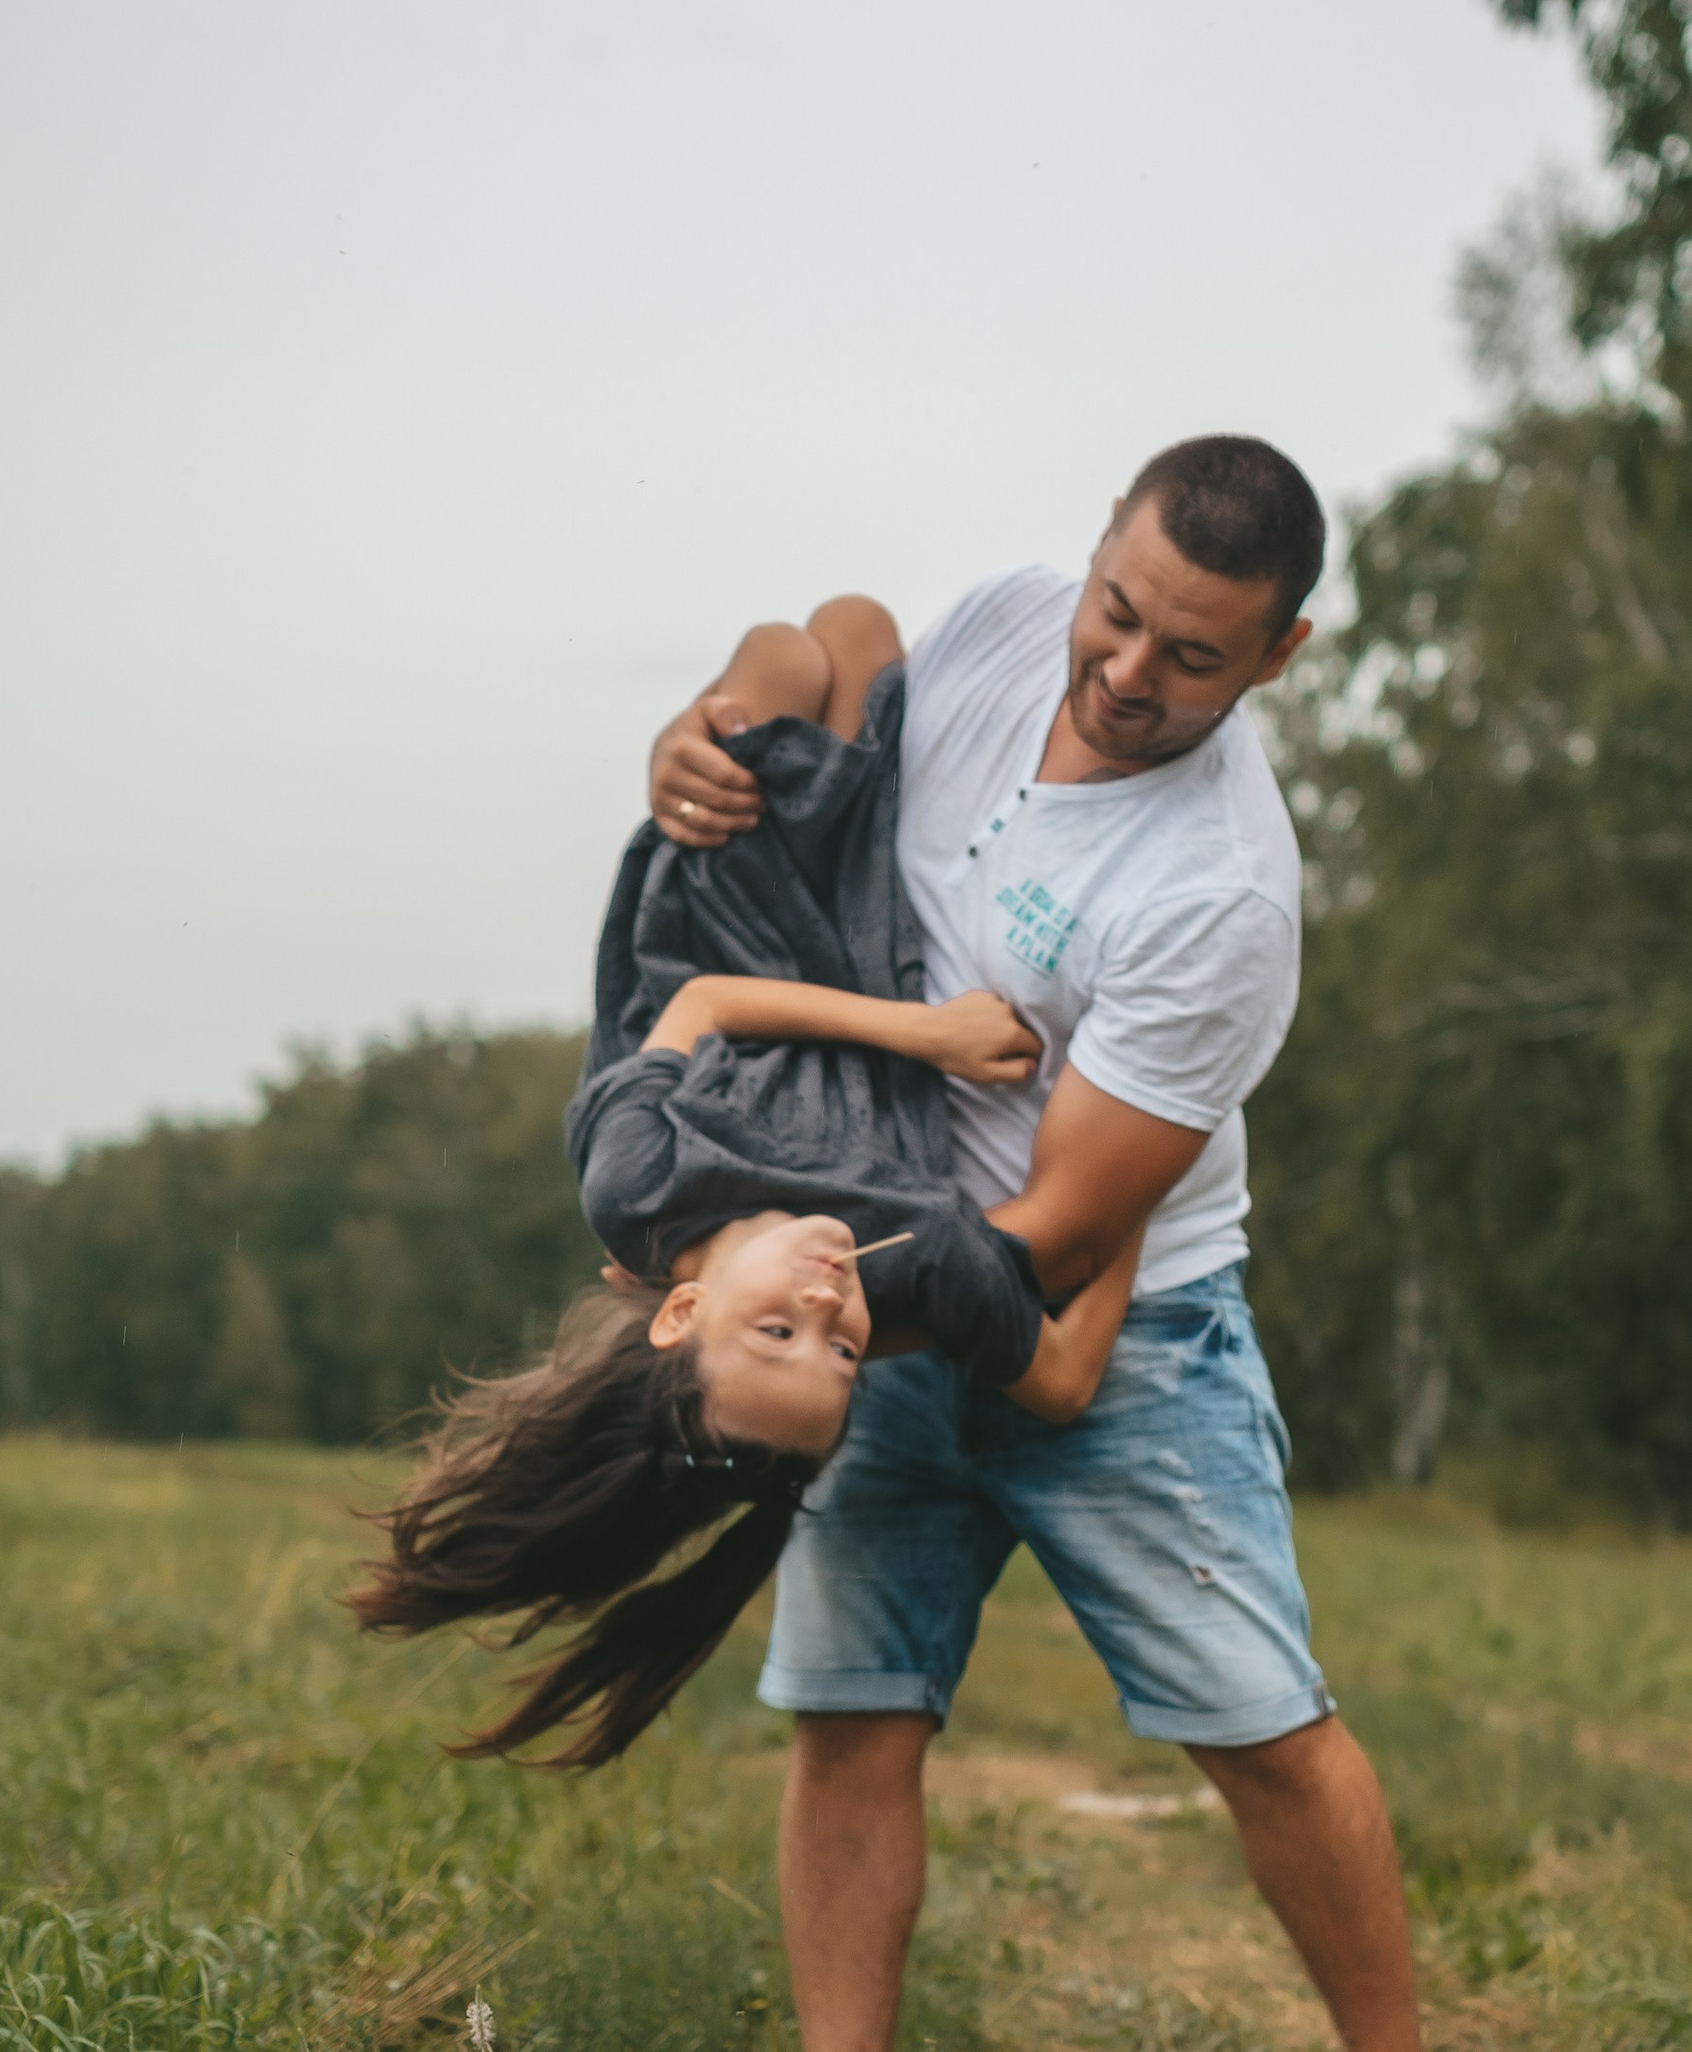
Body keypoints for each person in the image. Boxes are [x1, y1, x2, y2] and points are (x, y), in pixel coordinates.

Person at [647, 434, 1494, 2052]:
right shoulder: (999, 627)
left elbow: (1052, 1234)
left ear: (1280, 655)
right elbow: (833, 670)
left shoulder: (1223, 893)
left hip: (1123, 1324)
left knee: (1260, 1725)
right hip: (875, 1274)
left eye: (1193, 656)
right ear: (1098, 542)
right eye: (1119, 613)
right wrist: (701, 733)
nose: (1125, 672)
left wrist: (826, 1300)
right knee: (850, 1710)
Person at [349, 596, 1140, 1767]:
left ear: (678, 1311)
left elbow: (702, 1004)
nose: (827, 1304)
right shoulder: (916, 1259)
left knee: (782, 654)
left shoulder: (638, 1188)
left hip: (719, 919)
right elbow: (1063, 1381)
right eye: (841, 1355)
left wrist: (924, 1037)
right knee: (859, 632)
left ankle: (691, 742)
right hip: (862, 936)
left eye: (776, 1329)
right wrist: (1154, 1161)